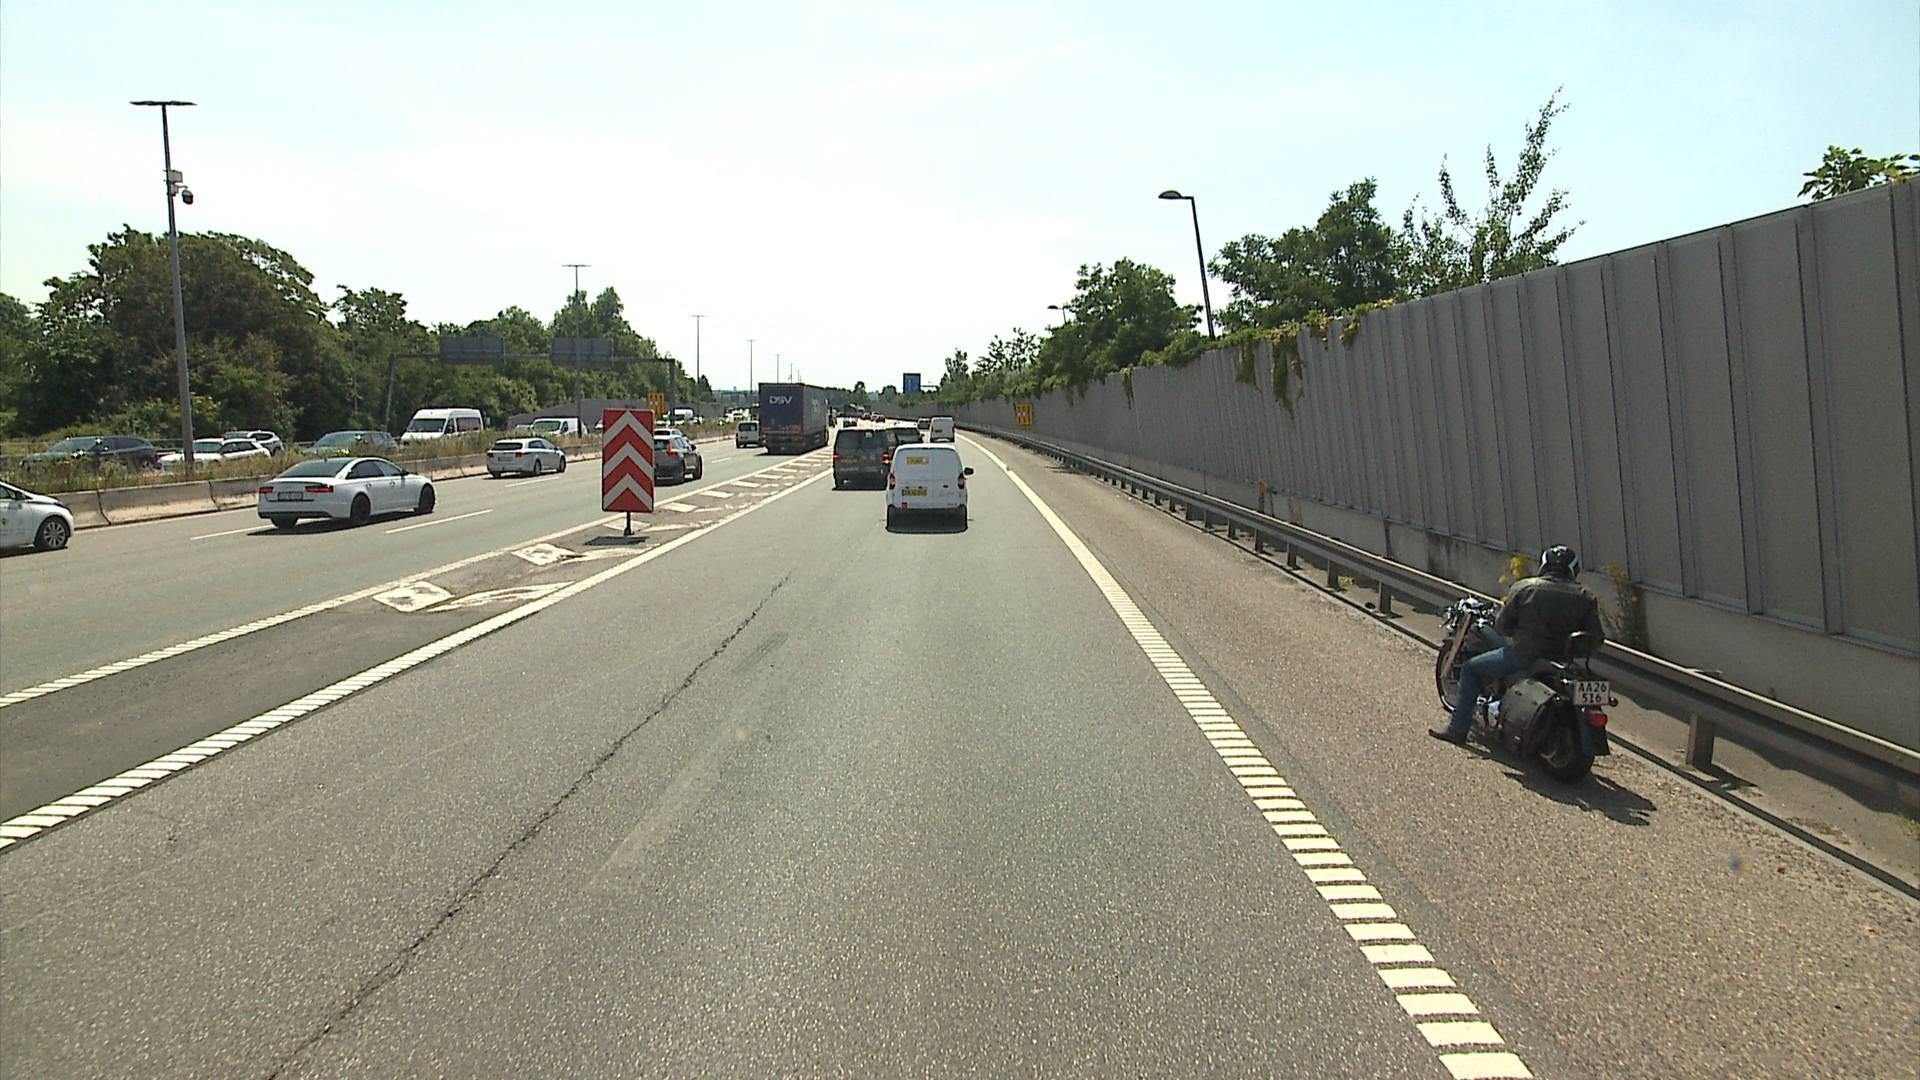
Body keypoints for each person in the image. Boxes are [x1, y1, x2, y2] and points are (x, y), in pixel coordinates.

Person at [1431, 545, 1605, 745]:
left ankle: (1457, 730)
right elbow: (1596, 637)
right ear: (1573, 569)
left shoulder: (1525, 588)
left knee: (1470, 669)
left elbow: (1502, 626)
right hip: (1563, 661)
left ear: (1544, 565)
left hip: (1524, 656)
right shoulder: (1586, 596)